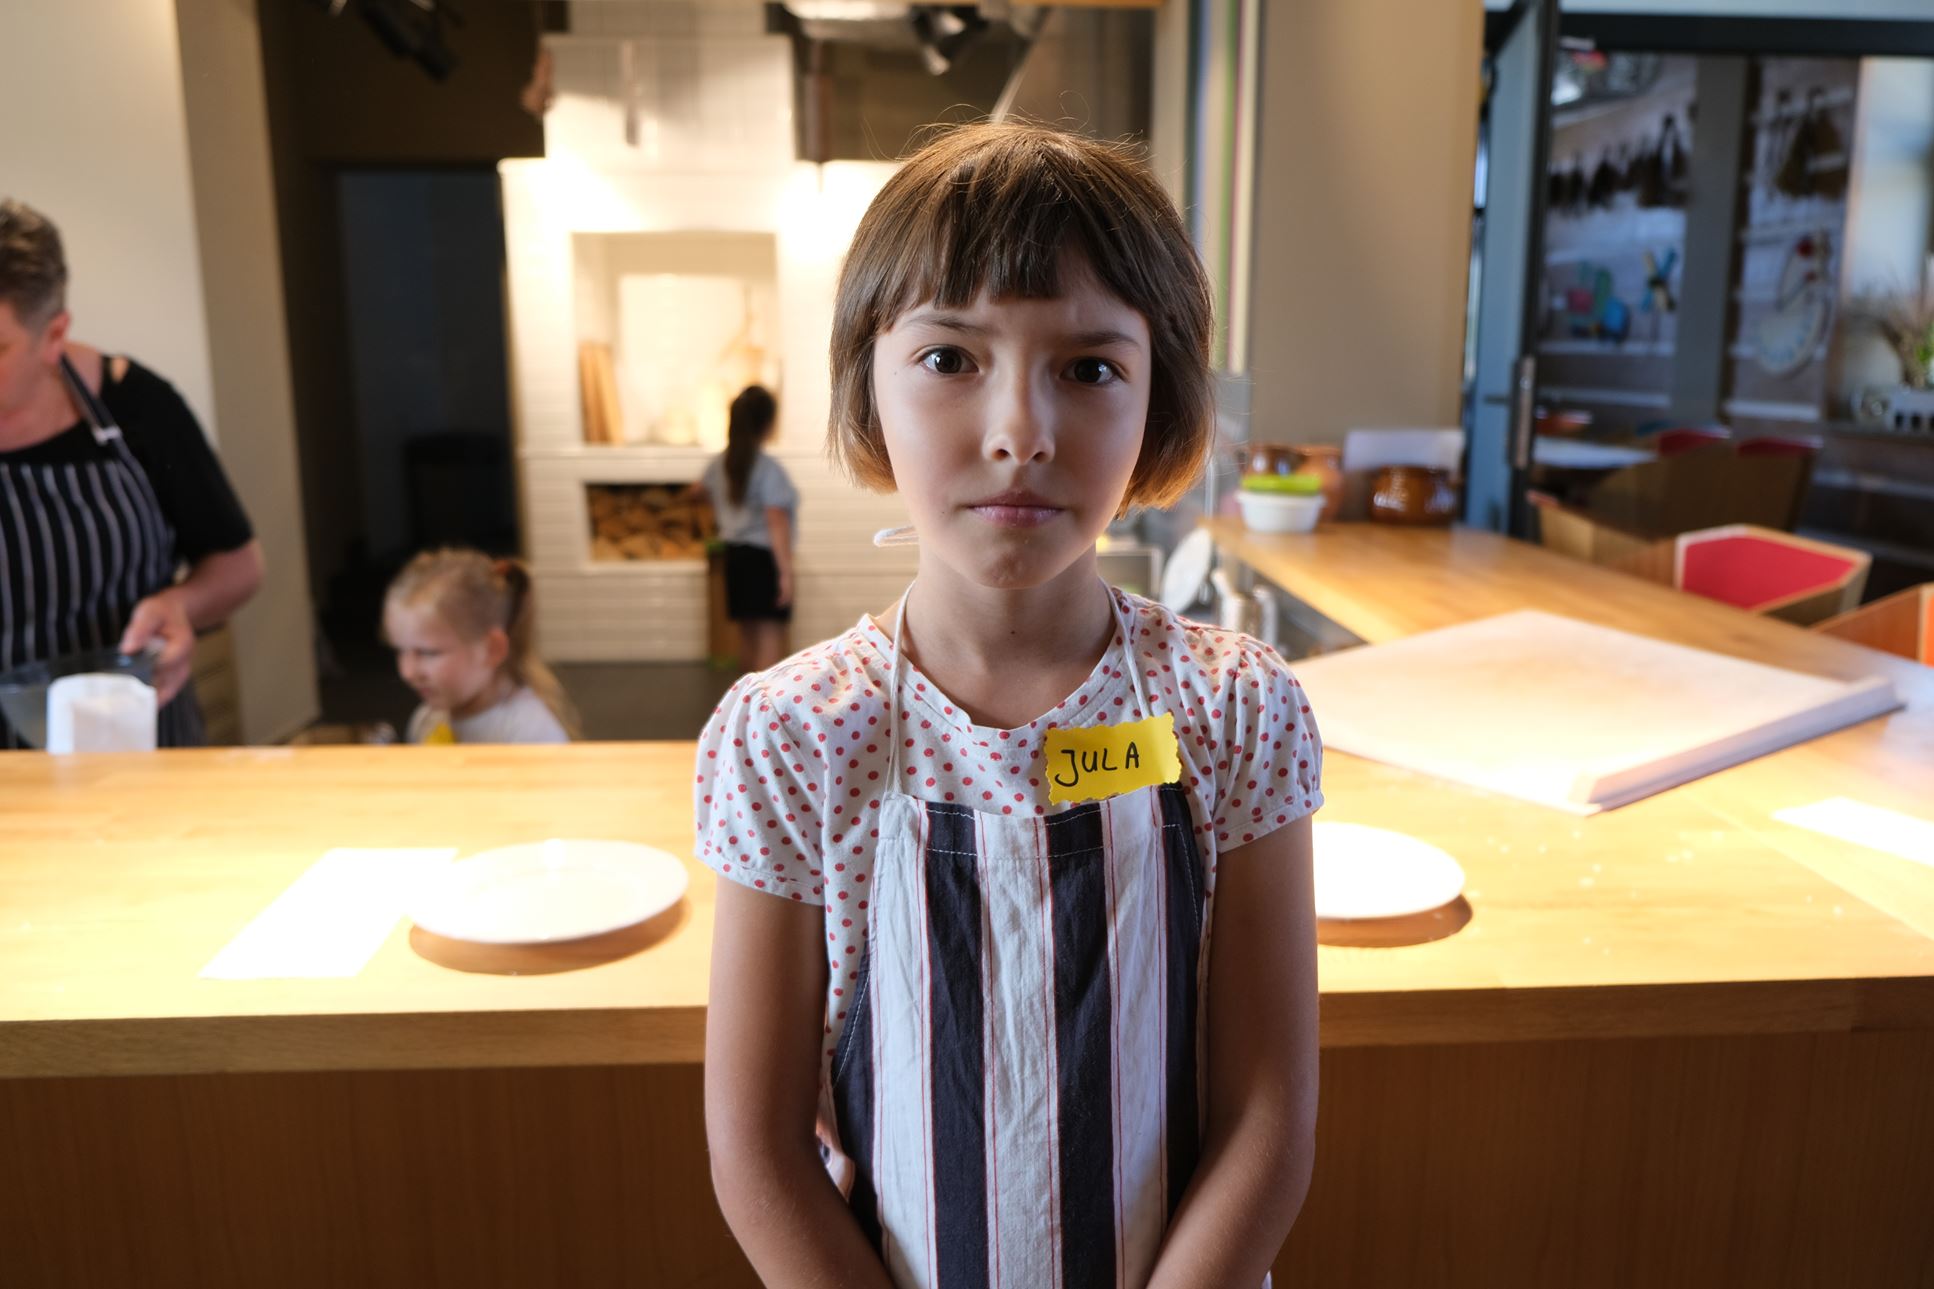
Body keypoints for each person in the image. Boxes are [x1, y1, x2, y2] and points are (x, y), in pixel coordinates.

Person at [696, 124, 1323, 1288]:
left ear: (1159, 401)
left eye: (1088, 369)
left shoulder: (1233, 708)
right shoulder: (791, 733)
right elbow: (756, 1148)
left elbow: (1267, 1115)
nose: (1019, 432)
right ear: (866, 385)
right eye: (950, 357)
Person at [0, 198, 264, 748]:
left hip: (133, 744)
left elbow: (238, 565)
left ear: (54, 336)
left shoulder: (136, 407)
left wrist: (179, 606)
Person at [383, 548, 576, 745]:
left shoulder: (532, 734)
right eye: (400, 651)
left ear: (492, 649)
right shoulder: (427, 720)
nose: (407, 672)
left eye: (428, 652)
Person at [691, 384, 797, 673]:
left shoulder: (719, 464)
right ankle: (766, 704)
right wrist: (785, 573)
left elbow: (696, 491)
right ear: (767, 423)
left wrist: (721, 512)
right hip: (764, 560)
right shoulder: (768, 468)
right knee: (770, 641)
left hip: (735, 557)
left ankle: (749, 701)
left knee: (748, 639)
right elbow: (776, 521)